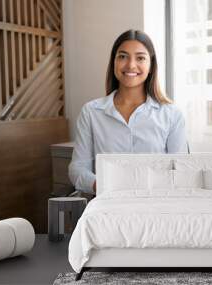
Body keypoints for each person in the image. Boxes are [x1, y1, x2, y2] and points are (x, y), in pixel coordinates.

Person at [69, 29, 188, 194]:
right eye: (123, 56)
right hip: (107, 205)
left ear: (151, 65)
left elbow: (181, 170)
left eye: (140, 58)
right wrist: (103, 186)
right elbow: (78, 168)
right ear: (114, 62)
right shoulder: (91, 112)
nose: (131, 65)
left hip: (157, 205)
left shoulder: (172, 114)